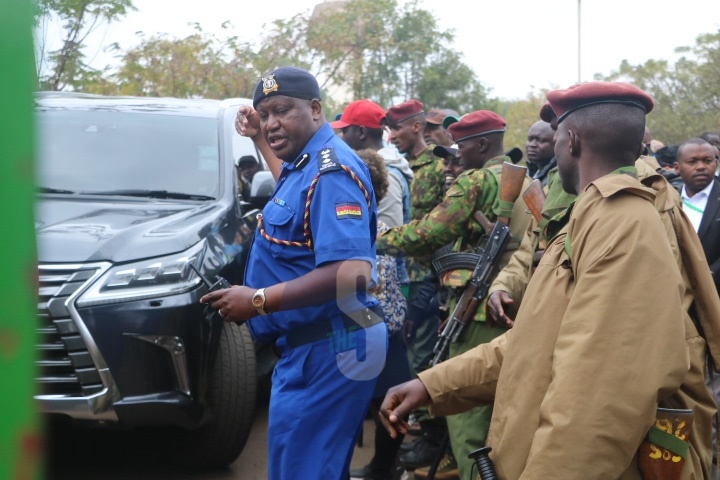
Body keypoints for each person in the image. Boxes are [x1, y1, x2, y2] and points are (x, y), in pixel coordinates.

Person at [379, 81, 720, 479]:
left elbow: (602, 392)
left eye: (557, 135)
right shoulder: (590, 214)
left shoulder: (624, 222)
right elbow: (537, 339)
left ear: (571, 141)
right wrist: (433, 385)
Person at [201, 66, 387, 480]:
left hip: (330, 345)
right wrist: (256, 139)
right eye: (264, 114)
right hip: (319, 342)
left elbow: (352, 271)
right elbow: (294, 186)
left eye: (282, 110)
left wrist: (258, 300)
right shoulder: (310, 165)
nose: (271, 123)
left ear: (316, 110)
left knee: (302, 471)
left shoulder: (332, 172)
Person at [377, 110, 531, 480]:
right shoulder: (528, 182)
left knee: (467, 422)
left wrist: (375, 239)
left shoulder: (475, 182)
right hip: (517, 304)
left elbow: (428, 233)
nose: (455, 154)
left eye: (462, 145)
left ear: (482, 144)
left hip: (480, 312)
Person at [384, 98, 446, 470]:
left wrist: (432, 286)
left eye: (398, 129)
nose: (392, 136)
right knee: (408, 362)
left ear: (417, 127)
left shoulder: (436, 169)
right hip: (406, 277)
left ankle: (434, 439)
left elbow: (442, 231)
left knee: (424, 362)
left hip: (428, 280)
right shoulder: (404, 168)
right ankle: (421, 433)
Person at [348, 148, 413, 480]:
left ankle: (381, 469)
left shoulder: (358, 227)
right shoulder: (378, 226)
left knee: (370, 403)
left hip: (369, 329)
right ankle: (384, 468)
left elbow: (365, 296)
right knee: (390, 402)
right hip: (386, 328)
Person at [675, 138, 720, 293]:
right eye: (692, 162)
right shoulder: (667, 199)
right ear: (677, 167)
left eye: (707, 161)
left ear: (716, 163)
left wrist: (705, 278)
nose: (701, 167)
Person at [525, 120, 555, 185]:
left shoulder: (560, 177)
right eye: (530, 139)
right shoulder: (531, 172)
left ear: (556, 142)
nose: (532, 144)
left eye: (541, 140)